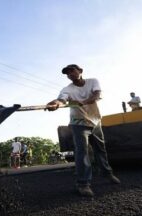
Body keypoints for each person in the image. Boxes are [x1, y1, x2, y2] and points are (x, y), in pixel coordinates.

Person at [47, 64, 120, 197]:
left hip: (95, 121)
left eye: (72, 71)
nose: (70, 74)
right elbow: (61, 99)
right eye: (67, 73)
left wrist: (83, 102)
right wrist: (55, 104)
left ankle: (107, 173)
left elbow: (98, 94)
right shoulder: (67, 89)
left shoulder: (93, 81)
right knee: (82, 152)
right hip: (78, 123)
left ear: (80, 71)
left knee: (100, 149)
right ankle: (83, 184)